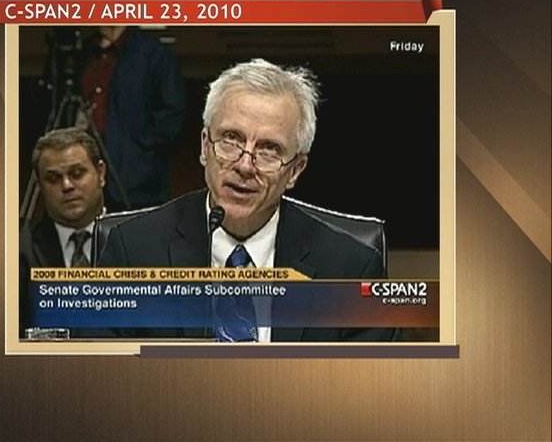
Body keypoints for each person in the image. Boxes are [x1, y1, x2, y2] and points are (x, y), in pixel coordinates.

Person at [98, 59, 397, 342]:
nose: (244, 165)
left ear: (295, 170)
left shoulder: (349, 270)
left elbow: (371, 378)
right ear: (204, 146)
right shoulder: (133, 251)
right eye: (231, 139)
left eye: (269, 149)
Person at [78, 25, 187, 211]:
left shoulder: (152, 52)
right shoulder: (85, 50)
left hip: (136, 173)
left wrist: (143, 145)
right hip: (88, 163)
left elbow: (173, 109)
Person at [18, 127, 109, 338]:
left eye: (77, 174)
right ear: (40, 185)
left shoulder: (139, 241)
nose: (67, 185)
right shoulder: (18, 252)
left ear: (100, 173)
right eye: (53, 178)